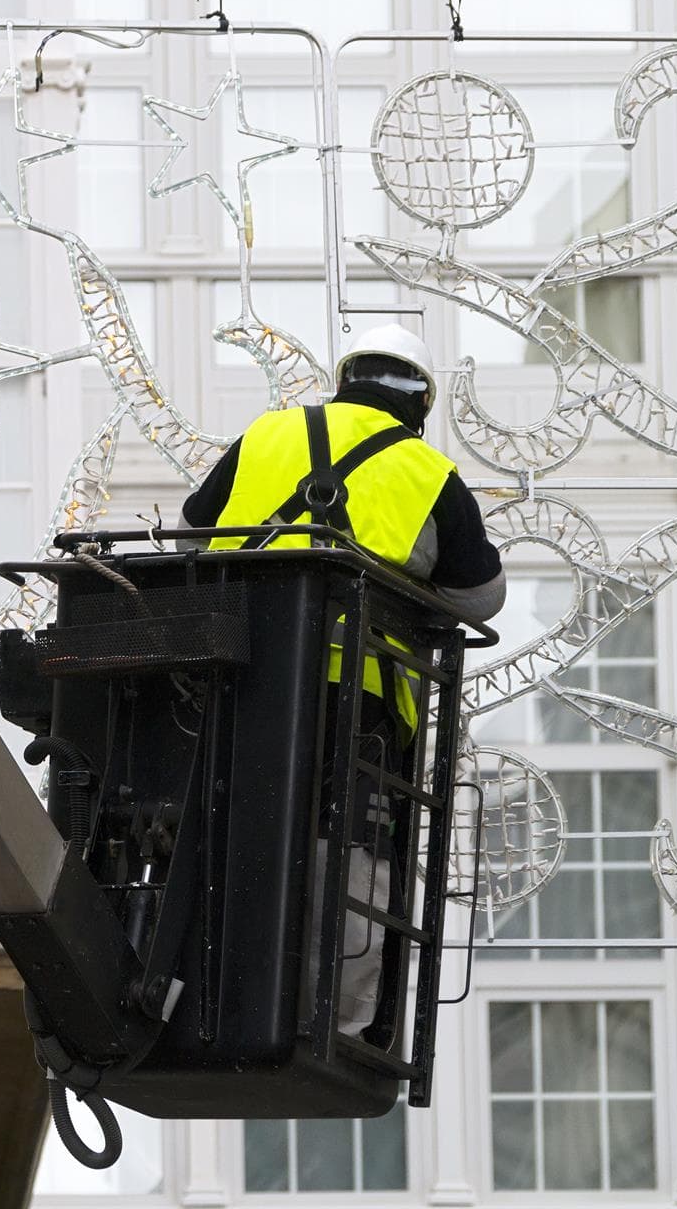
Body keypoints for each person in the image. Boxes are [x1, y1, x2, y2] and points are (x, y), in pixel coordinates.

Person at [180, 322, 506, 1040]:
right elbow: (482, 597)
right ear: (421, 400)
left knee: (235, 820)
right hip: (357, 691)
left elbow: (193, 528)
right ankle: (341, 1019)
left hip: (243, 673)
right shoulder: (427, 473)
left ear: (344, 379)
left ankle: (214, 990)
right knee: (351, 837)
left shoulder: (266, 435)